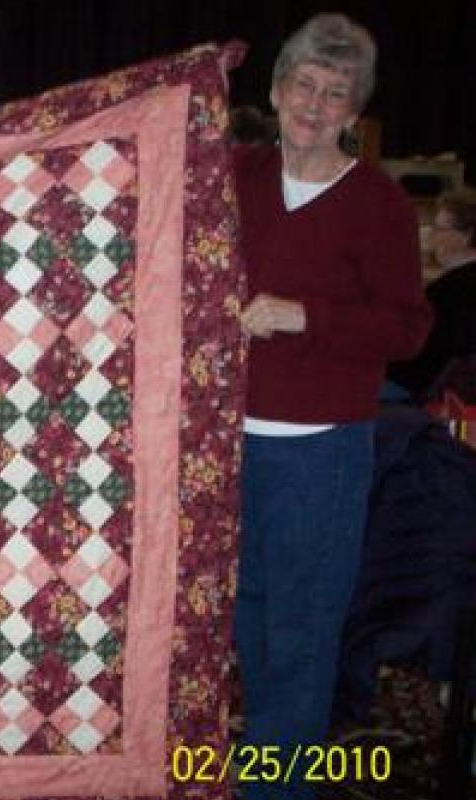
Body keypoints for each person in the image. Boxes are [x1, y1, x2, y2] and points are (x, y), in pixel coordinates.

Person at [231, 13, 432, 800]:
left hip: (320, 449)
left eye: (335, 93)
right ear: (277, 92)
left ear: (355, 112)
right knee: (247, 616)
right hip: (230, 440)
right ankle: (266, 773)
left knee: (303, 632)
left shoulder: (377, 204)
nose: (315, 105)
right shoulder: (236, 177)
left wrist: (304, 315)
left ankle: (276, 790)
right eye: (304, 86)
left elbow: (408, 328)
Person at [386, 189, 476, 400]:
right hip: (426, 382)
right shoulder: (457, 281)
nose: (431, 236)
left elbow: (413, 347)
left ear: (466, 236)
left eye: (438, 229)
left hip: (415, 386)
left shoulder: (453, 289)